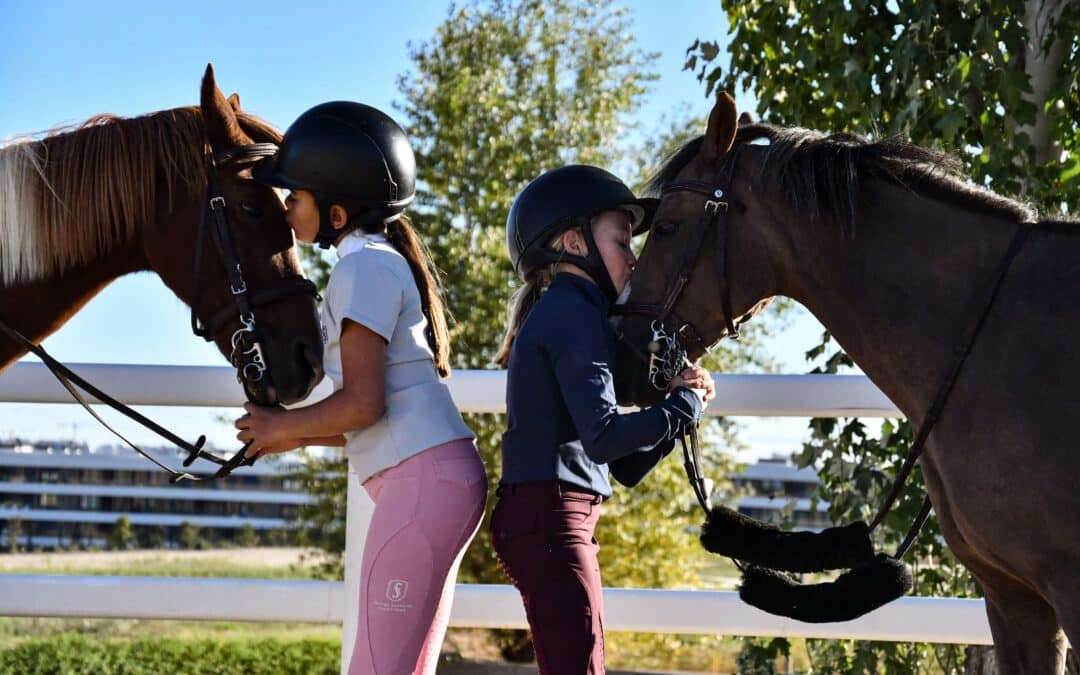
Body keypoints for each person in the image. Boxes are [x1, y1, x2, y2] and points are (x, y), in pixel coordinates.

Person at [233, 101, 486, 675]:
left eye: (294, 197)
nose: (287, 209)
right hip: (435, 478)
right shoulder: (375, 261)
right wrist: (295, 439)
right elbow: (377, 417)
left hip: (423, 488)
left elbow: (364, 404)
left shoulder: (361, 269)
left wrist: (283, 425)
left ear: (337, 211)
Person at [491, 165, 715, 673]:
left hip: (554, 513)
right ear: (574, 242)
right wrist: (684, 407)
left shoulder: (572, 312)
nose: (634, 260)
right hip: (553, 517)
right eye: (621, 241)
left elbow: (623, 466)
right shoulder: (573, 313)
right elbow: (606, 438)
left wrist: (680, 410)